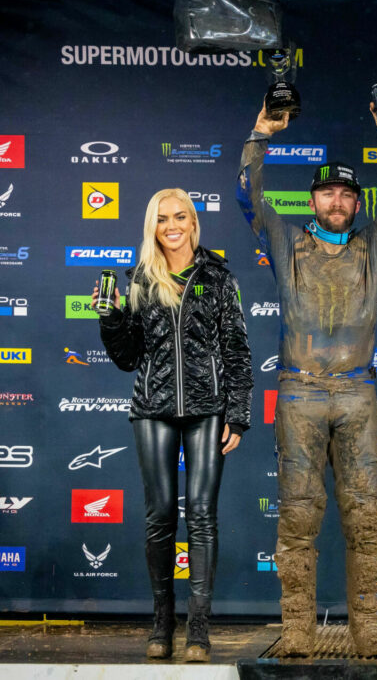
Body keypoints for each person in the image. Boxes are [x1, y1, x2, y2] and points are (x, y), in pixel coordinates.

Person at [235, 89, 377, 657]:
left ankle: (369, 632)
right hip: (300, 394)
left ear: (358, 204)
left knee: (367, 519)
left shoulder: (374, 245)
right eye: (327, 192)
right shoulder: (287, 240)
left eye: (346, 194)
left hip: (358, 394)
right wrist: (260, 133)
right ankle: (297, 633)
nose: (337, 201)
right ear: (312, 199)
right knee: (297, 516)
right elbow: (247, 193)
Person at [96, 188, 253, 662]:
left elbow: (238, 353)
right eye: (162, 218)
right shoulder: (140, 279)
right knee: (160, 516)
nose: (171, 226)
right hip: (152, 410)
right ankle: (162, 624)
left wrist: (239, 415)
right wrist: (110, 321)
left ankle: (199, 631)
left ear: (193, 222)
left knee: (201, 516)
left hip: (207, 410)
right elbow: (127, 359)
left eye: (180, 216)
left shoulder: (219, 278)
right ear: (153, 225)